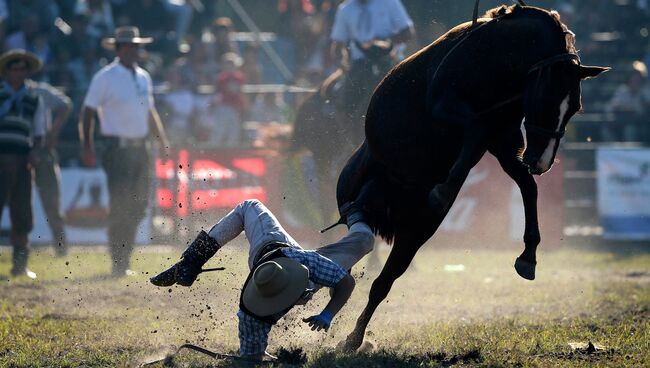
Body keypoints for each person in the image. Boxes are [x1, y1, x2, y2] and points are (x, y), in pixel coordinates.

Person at [150, 197, 375, 361]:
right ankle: (357, 215)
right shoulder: (254, 314)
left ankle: (189, 264)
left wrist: (327, 314)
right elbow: (252, 359)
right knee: (364, 239)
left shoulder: (254, 311)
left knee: (249, 206)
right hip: (294, 271)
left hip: (275, 253)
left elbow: (252, 357)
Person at [78, 26, 170, 276]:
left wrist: (161, 141)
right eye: (129, 46)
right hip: (116, 150)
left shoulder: (143, 77)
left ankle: (123, 256)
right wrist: (87, 145)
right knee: (120, 205)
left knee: (139, 206)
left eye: (136, 46)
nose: (134, 50)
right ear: (119, 49)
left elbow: (149, 112)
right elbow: (88, 112)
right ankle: (119, 261)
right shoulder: (105, 77)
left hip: (141, 148)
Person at [0, 49, 47, 279]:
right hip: (0, 157)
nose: (18, 72)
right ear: (7, 71)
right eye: (14, 68)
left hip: (21, 160)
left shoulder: (33, 98)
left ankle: (20, 265)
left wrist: (35, 152)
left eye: (22, 69)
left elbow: (39, 131)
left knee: (22, 212)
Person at [329, 0, 414, 117]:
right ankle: (348, 132)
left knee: (411, 95)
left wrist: (384, 43)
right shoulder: (345, 9)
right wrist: (343, 65)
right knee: (343, 101)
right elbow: (338, 43)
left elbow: (408, 32)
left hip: (390, 61)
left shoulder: (389, 3)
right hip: (360, 65)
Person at [27, 78, 73, 257]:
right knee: (18, 203)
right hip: (15, 151)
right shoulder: (5, 92)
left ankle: (61, 248)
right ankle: (21, 250)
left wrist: (53, 130)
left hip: (43, 152)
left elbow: (66, 105)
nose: (18, 71)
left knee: (52, 203)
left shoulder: (40, 91)